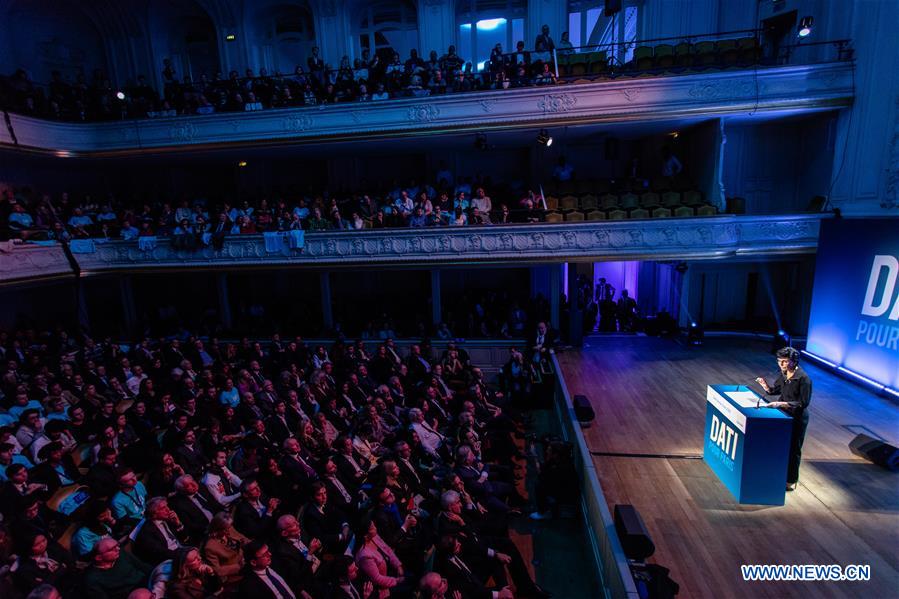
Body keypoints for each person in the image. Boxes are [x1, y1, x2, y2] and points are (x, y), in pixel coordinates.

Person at [755, 347, 812, 491]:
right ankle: (777, 474)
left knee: (793, 449)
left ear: (794, 361)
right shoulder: (784, 374)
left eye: (785, 361)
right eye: (779, 361)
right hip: (783, 415)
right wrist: (765, 386)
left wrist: (781, 404)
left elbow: (803, 403)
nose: (781, 364)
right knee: (779, 446)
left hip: (797, 419)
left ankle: (791, 480)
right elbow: (775, 390)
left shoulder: (804, 379)